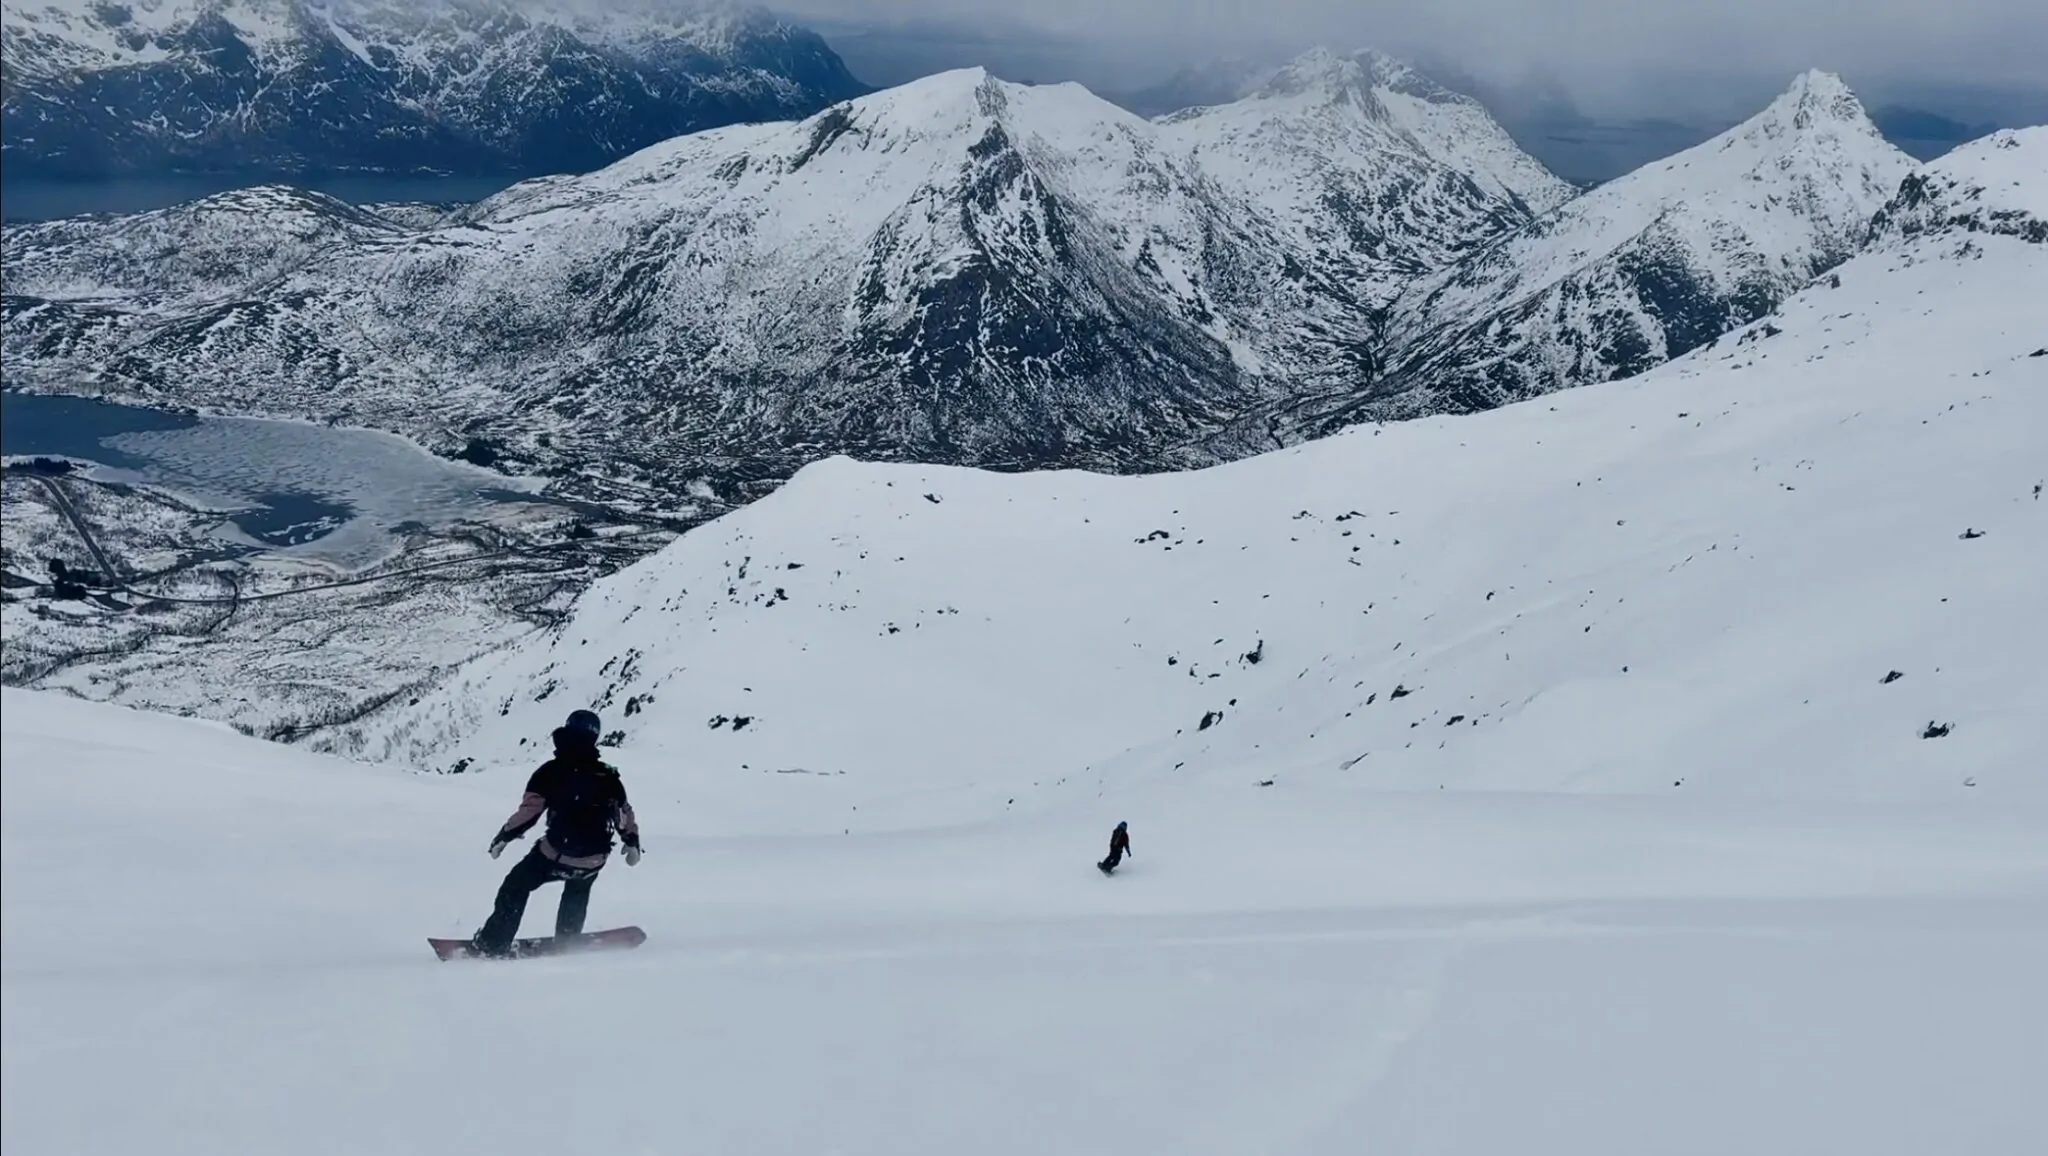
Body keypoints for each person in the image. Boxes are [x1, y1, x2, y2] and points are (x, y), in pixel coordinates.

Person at [470, 709, 641, 957]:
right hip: (594, 858)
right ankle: (568, 940)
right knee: (578, 887)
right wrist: (632, 842)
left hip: (556, 853)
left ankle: (492, 944)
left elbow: (529, 812)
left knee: (515, 885)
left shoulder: (550, 771)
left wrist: (504, 837)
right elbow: (623, 816)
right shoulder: (608, 776)